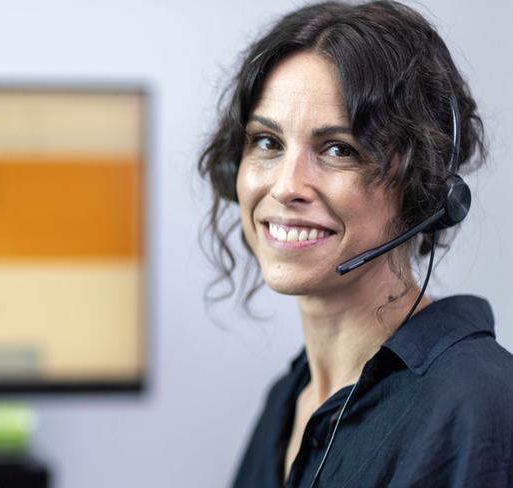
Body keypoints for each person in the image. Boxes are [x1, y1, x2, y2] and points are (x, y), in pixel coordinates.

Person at [198, 1, 513, 487]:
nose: (286, 186)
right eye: (267, 142)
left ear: (422, 187)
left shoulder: (475, 403)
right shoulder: (288, 400)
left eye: (337, 149)